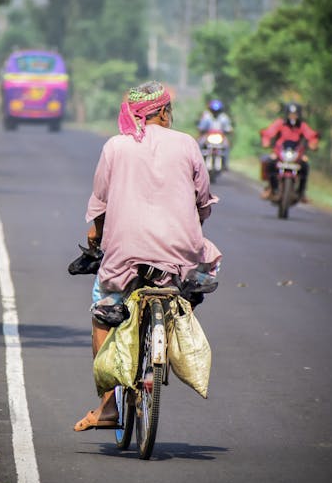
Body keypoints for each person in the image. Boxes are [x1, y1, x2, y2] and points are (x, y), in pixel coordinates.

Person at [74, 80, 222, 432]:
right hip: (180, 255)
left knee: (103, 305)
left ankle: (108, 407)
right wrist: (191, 224)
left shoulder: (115, 147)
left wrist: (95, 237)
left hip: (125, 255)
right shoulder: (187, 144)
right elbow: (204, 202)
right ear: (164, 112)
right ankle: (176, 311)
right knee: (196, 275)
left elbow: (99, 207)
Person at [260, 102, 319, 203]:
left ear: (299, 114)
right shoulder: (280, 123)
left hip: (296, 154)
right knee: (270, 162)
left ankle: (301, 192)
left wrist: (313, 144)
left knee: (305, 166)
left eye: (295, 114)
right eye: (291, 114)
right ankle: (271, 189)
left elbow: (312, 136)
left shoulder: (302, 126)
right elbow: (269, 133)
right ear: (286, 114)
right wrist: (266, 142)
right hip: (280, 152)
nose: (293, 116)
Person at [196, 99, 233, 170]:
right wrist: (201, 129)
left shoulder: (224, 117)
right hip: (207, 136)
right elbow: (201, 127)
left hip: (220, 137)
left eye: (217, 111)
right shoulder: (206, 116)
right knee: (199, 144)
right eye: (213, 110)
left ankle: (225, 163)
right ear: (210, 109)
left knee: (226, 146)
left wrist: (229, 130)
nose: (215, 112)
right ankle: (198, 162)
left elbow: (228, 127)